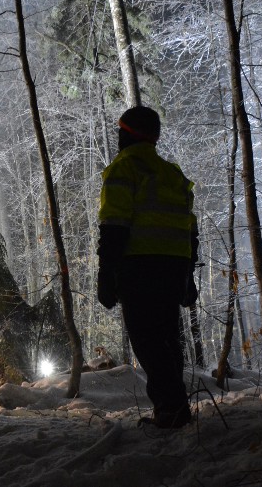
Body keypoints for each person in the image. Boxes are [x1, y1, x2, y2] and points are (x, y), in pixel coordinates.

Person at [96, 106, 199, 429]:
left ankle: (171, 410)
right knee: (168, 339)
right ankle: (173, 408)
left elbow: (114, 227)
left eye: (120, 131)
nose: (117, 137)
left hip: (139, 268)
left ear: (128, 134)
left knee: (148, 341)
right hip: (173, 269)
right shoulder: (172, 174)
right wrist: (188, 275)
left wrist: (106, 274)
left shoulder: (123, 169)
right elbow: (189, 230)